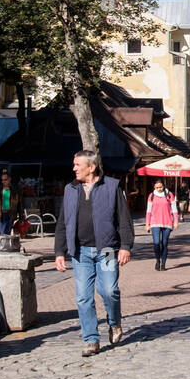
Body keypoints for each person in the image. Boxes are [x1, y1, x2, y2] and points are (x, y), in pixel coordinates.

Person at [54, 150, 133, 356]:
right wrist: (59, 251)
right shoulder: (70, 189)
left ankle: (114, 322)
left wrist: (125, 246)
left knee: (109, 290)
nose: (74, 168)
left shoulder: (111, 186)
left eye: (77, 165)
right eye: (74, 164)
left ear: (92, 167)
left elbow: (124, 220)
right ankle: (91, 340)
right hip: (80, 252)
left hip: (106, 249)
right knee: (83, 297)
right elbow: (63, 222)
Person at [145, 181, 177, 271]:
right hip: (155, 222)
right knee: (156, 243)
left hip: (167, 222)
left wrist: (176, 221)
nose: (159, 189)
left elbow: (174, 209)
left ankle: (163, 264)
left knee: (164, 243)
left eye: (161, 187)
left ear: (163, 186)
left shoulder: (169, 194)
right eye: (157, 187)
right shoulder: (151, 196)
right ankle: (157, 260)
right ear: (154, 187)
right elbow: (148, 211)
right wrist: (147, 224)